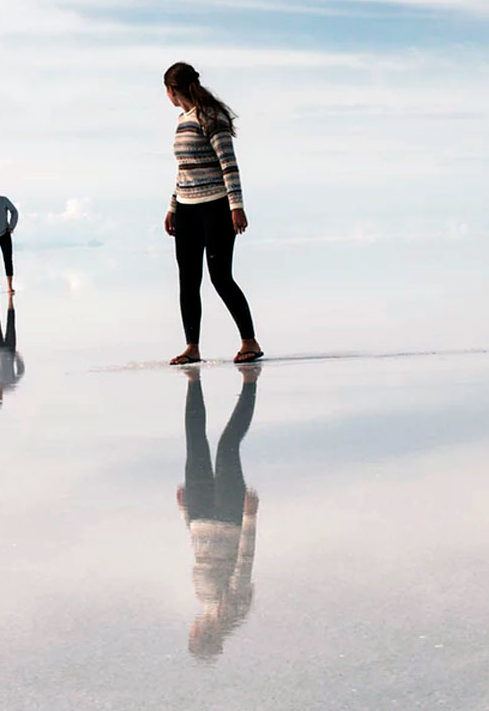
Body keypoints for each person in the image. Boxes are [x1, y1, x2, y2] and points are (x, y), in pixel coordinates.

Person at [162, 62, 263, 365]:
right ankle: (192, 347)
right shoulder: (183, 120)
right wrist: (172, 206)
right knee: (188, 280)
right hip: (186, 209)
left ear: (171, 90)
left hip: (216, 207)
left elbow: (228, 163)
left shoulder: (211, 117)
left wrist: (236, 206)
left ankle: (250, 341)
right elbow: (183, 170)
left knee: (220, 276)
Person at [176, 364, 261, 661]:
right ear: (204, 637)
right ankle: (250, 386)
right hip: (228, 517)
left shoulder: (204, 601)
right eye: (194, 635)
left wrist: (186, 513)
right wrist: (250, 518)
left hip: (200, 516)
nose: (192, 629)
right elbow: (244, 563)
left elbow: (201, 554)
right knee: (227, 447)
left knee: (194, 441)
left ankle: (193, 383)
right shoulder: (232, 611)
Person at [0, 292, 24, 408]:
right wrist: (16, 356)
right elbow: (20, 371)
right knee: (11, 323)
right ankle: (10, 301)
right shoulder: (10, 384)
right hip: (9, 350)